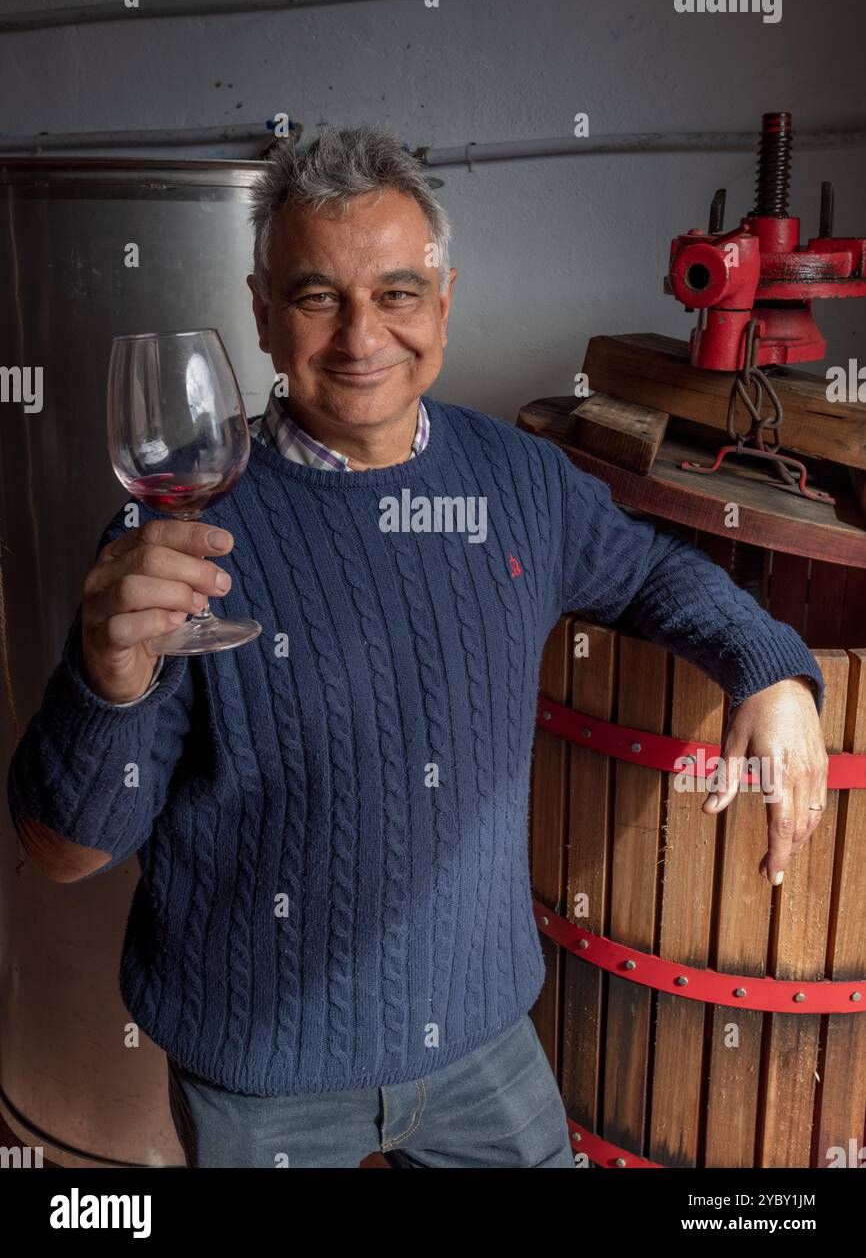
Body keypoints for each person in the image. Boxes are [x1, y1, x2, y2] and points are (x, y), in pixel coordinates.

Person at [7, 126, 829, 1169]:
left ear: (442, 306)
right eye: (316, 296)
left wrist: (767, 664)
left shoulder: (517, 484)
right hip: (262, 1069)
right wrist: (103, 684)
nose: (360, 334)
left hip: (479, 1039)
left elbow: (647, 572)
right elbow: (64, 851)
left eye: (396, 293)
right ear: (261, 314)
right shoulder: (180, 532)